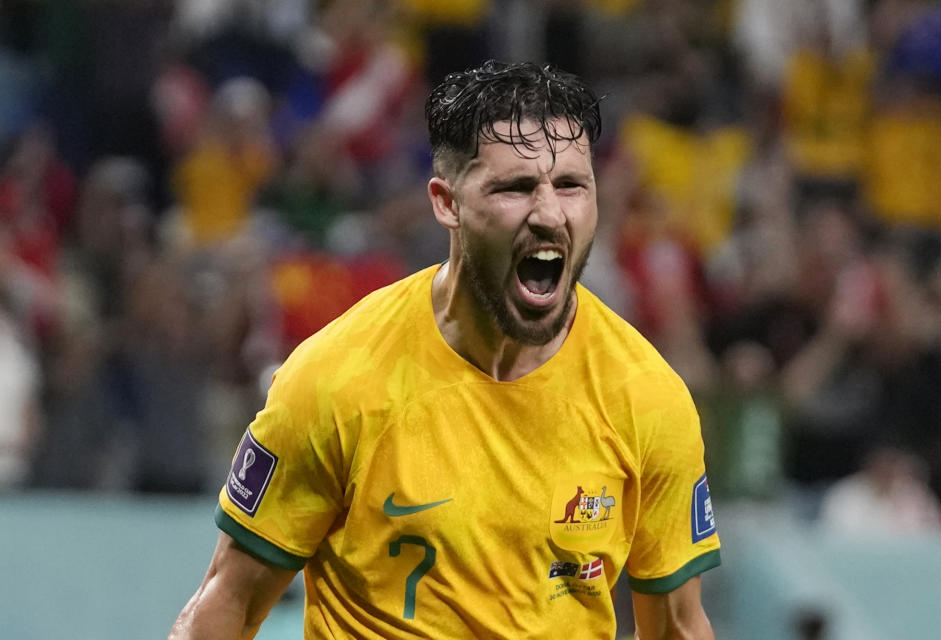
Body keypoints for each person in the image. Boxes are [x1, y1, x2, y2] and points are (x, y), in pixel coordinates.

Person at [168, 60, 721, 640]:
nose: (550, 214)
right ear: (447, 203)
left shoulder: (646, 396)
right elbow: (225, 602)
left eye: (571, 186)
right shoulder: (335, 379)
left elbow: (680, 626)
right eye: (515, 187)